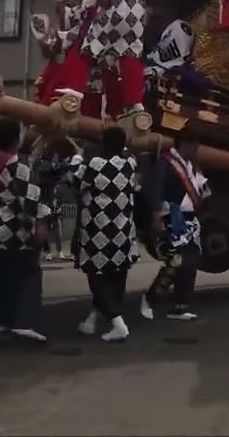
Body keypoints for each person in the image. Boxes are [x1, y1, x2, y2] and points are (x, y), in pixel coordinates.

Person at [0, 117, 50, 347]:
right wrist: (41, 224)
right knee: (27, 276)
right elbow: (31, 200)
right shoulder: (19, 166)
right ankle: (23, 322)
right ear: (16, 139)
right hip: (12, 234)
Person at [66, 127, 140, 342]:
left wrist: (78, 155)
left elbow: (73, 180)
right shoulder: (130, 163)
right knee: (117, 274)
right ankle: (96, 320)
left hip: (98, 230)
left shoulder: (95, 164)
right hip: (124, 229)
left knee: (97, 277)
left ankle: (118, 323)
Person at [140, 130, 209, 321]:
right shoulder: (166, 162)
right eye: (194, 145)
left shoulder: (189, 165)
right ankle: (151, 298)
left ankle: (179, 306)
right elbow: (155, 188)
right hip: (173, 216)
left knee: (191, 262)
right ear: (185, 145)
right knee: (177, 260)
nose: (196, 150)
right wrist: (156, 214)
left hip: (189, 219)